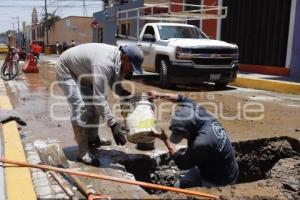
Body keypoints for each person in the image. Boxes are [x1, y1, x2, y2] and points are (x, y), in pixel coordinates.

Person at [56, 43, 143, 165]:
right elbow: (99, 99)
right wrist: (113, 125)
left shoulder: (117, 60)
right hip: (67, 69)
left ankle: (92, 138)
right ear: (126, 58)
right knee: (80, 107)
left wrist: (124, 93)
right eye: (132, 67)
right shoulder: (104, 63)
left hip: (84, 72)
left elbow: (114, 82)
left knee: (93, 106)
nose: (131, 71)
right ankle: (82, 152)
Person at [149, 90, 239, 188]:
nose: (182, 138)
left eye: (183, 135)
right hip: (210, 164)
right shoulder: (198, 111)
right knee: (178, 187)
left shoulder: (201, 143)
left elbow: (182, 163)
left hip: (220, 179)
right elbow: (179, 98)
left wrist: (165, 140)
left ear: (189, 130)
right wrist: (159, 95)